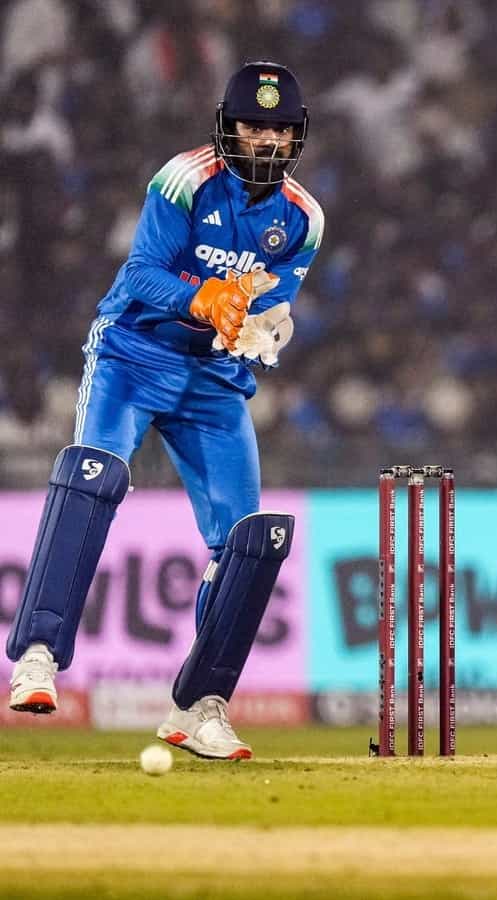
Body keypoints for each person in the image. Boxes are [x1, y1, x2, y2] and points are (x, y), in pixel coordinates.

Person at [5, 61, 323, 760]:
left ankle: (200, 706)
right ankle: (38, 655)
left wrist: (266, 329)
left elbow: (273, 304)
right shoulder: (184, 179)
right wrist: (204, 297)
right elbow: (142, 272)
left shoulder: (304, 218)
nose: (266, 140)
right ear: (227, 126)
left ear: (296, 136)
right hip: (133, 354)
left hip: (212, 379)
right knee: (92, 475)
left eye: (278, 129)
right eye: (253, 125)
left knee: (248, 540)